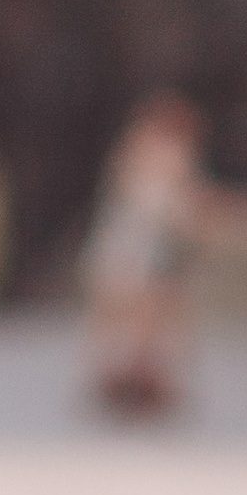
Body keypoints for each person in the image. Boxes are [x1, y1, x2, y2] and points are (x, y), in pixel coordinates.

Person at [79, 92, 210, 414]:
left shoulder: (136, 154)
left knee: (148, 316)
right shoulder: (156, 155)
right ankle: (131, 376)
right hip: (142, 246)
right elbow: (173, 206)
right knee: (144, 314)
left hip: (144, 246)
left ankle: (136, 376)